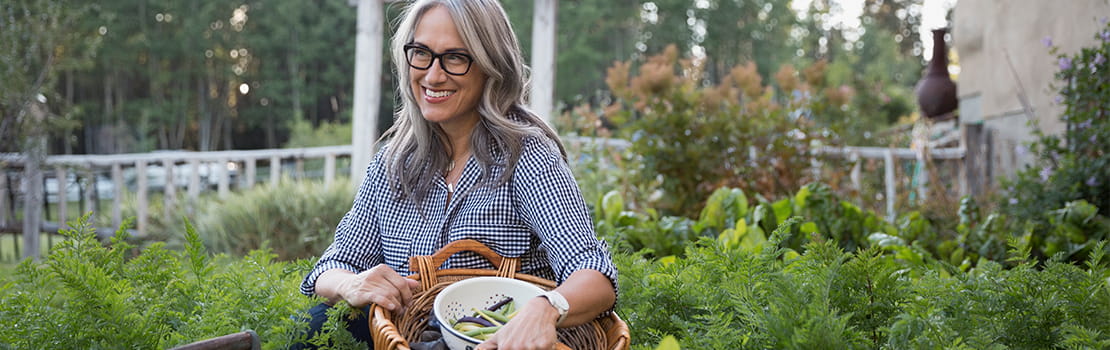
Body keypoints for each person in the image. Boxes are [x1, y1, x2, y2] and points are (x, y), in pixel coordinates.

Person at [295, 0, 618, 349]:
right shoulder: (391, 165)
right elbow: (331, 267)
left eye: (455, 58)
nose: (433, 76)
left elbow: (594, 273)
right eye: (421, 53)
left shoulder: (527, 158)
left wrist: (546, 307)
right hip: (407, 340)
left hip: (502, 343)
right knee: (314, 325)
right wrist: (352, 284)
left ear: (491, 66)